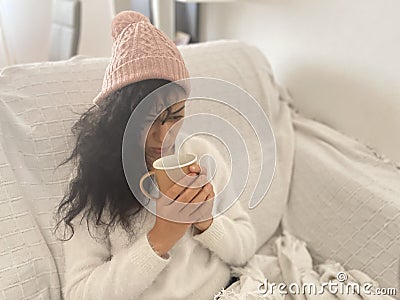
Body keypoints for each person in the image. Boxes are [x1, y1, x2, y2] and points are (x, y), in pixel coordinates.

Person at [55, 10, 256, 300]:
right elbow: (80, 293)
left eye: (176, 116)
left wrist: (206, 222)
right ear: (118, 120)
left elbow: (245, 246)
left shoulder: (200, 154)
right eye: (147, 121)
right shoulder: (95, 179)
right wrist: (161, 237)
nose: (164, 138)